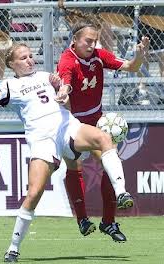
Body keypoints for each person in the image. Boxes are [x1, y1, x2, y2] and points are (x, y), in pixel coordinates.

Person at [0, 43, 133, 262]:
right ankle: (13, 248)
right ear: (12, 64)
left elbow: (66, 100)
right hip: (42, 139)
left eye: (31, 56)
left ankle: (122, 193)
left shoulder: (46, 76)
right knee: (34, 194)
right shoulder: (8, 85)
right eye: (23, 58)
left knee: (103, 138)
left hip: (66, 126)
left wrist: (63, 94)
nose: (30, 60)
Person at [57, 21, 149, 241]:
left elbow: (131, 67)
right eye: (87, 41)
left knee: (110, 164)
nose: (92, 45)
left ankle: (109, 222)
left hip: (96, 118)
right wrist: (63, 91)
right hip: (72, 122)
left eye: (94, 41)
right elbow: (65, 82)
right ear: (75, 41)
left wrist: (139, 56)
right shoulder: (67, 60)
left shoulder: (99, 55)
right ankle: (82, 219)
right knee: (74, 166)